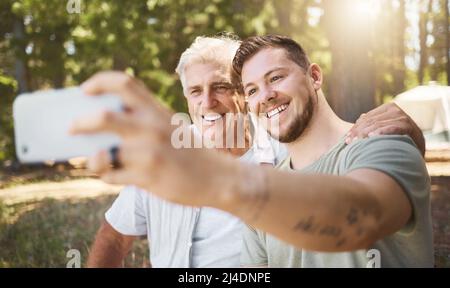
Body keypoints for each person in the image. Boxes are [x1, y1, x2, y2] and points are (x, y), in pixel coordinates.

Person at [73, 35, 431, 268]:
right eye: (253, 89)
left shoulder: (371, 145)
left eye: (276, 78)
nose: (207, 103)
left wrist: (214, 179)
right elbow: (114, 235)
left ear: (315, 76)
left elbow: (358, 218)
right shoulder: (178, 159)